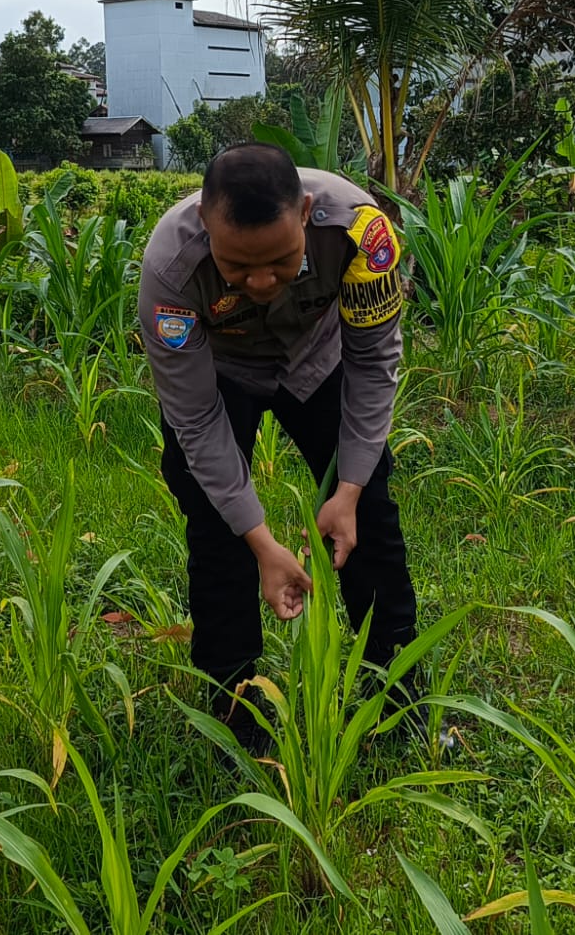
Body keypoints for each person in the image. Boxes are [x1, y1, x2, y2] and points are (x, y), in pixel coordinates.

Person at [138, 143, 417, 755]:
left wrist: (347, 489)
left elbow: (373, 364)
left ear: (308, 212)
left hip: (320, 361)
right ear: (206, 228)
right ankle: (236, 710)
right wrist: (262, 543)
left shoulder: (363, 232)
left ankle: (396, 691)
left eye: (281, 261)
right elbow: (195, 418)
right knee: (216, 531)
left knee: (369, 515)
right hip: (225, 371)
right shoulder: (168, 270)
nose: (261, 282)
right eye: (237, 267)